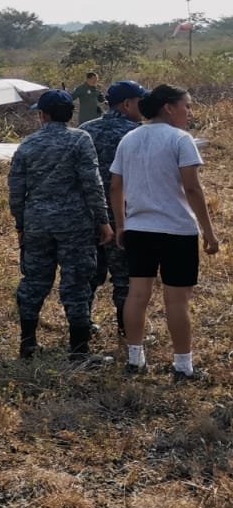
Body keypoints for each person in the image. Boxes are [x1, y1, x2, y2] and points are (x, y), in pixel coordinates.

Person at [110, 84, 219, 380]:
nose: (190, 112)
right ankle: (183, 366)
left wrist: (122, 224)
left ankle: (135, 360)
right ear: (169, 108)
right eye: (187, 106)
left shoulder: (129, 139)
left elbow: (116, 186)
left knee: (137, 295)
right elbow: (193, 188)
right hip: (176, 230)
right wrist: (209, 232)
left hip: (139, 229)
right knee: (177, 300)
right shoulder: (181, 140)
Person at [8, 90, 112, 360]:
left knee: (33, 282)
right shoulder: (80, 140)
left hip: (37, 224)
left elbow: (16, 190)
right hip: (74, 223)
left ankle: (28, 344)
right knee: (77, 284)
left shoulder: (27, 145)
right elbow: (92, 183)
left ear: (43, 115)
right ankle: (79, 351)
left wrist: (21, 224)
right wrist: (103, 220)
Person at [82, 80, 146, 340]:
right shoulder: (137, 133)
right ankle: (126, 331)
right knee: (125, 278)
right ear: (127, 103)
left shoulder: (85, 131)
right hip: (124, 216)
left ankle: (83, 325)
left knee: (88, 275)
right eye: (141, 102)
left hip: (89, 216)